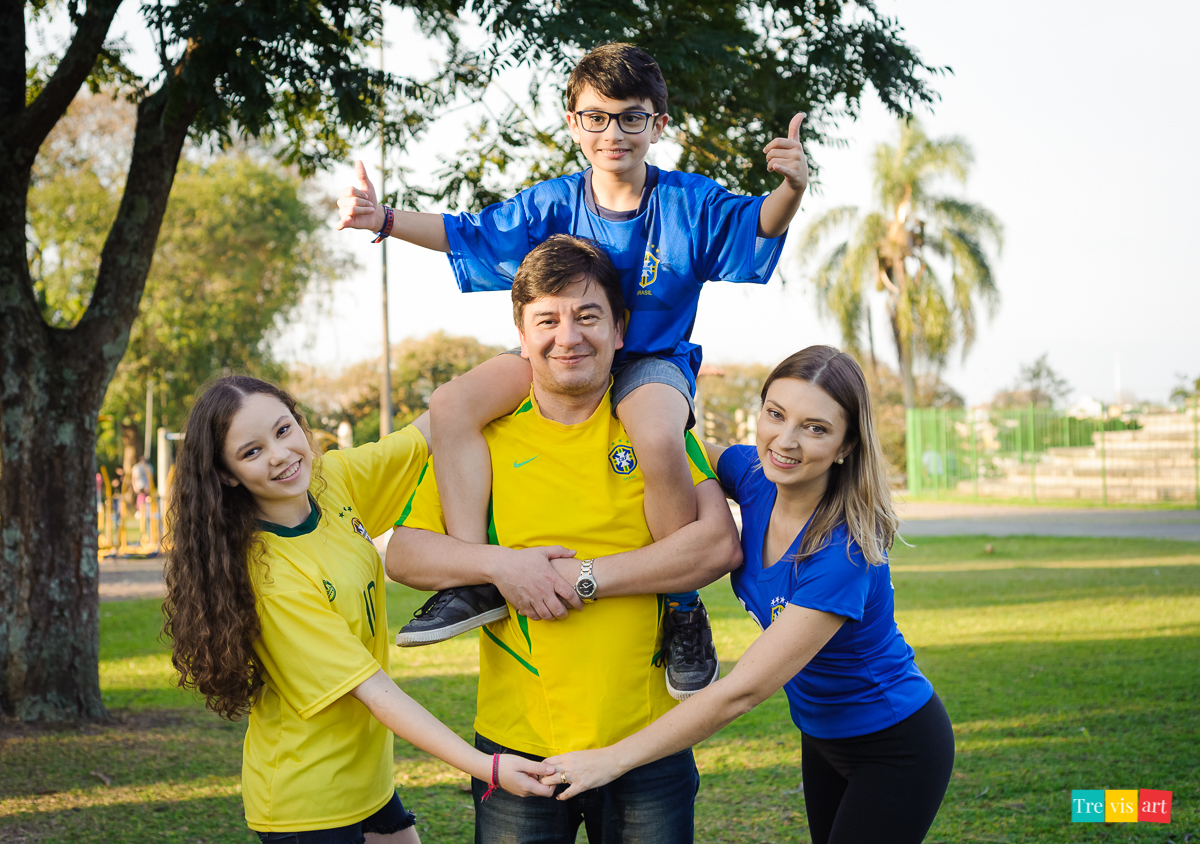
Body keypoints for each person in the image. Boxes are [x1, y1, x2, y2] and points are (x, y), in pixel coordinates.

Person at [337, 43, 810, 699]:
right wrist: (383, 219)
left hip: (650, 360)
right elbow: (471, 232)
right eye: (596, 117)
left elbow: (756, 222)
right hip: (563, 349)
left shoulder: (689, 202)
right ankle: (477, 578)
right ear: (573, 123)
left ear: (658, 126)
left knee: (654, 437)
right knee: (450, 406)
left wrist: (790, 188)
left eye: (630, 117)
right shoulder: (554, 203)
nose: (612, 132)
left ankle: (680, 609)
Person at [387, 235, 742, 843]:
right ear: (521, 337)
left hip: (645, 744)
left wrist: (579, 580)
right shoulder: (481, 437)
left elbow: (715, 546)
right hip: (520, 748)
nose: (568, 336)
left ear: (621, 329)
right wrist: (501, 566)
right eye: (546, 320)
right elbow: (405, 552)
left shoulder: (651, 423)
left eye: (587, 316)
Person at [538, 346, 956, 844]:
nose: (785, 440)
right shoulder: (755, 478)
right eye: (775, 415)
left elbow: (743, 691)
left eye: (815, 428)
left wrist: (611, 760)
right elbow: (678, 443)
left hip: (894, 744)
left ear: (846, 445)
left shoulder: (841, 554)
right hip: (820, 735)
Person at [162, 375, 556, 843]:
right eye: (252, 452)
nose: (280, 455)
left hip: (368, 783)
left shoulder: (331, 481)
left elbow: (433, 427)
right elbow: (375, 692)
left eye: (284, 430)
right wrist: (488, 767)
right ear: (227, 474)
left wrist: (536, 350)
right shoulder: (271, 578)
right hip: (307, 802)